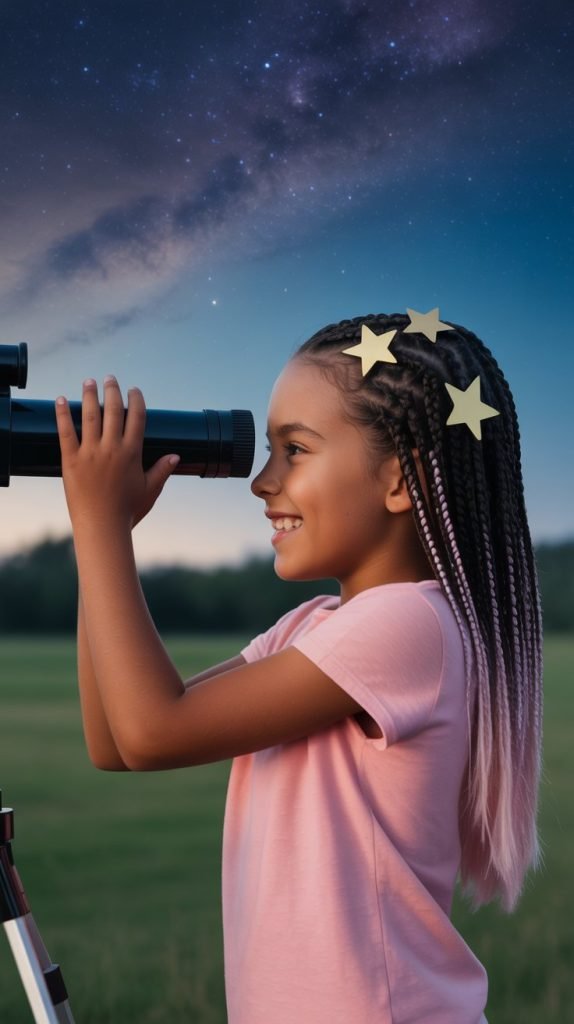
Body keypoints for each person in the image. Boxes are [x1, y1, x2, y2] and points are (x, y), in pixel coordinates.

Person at [55, 308, 543, 1024]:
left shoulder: (410, 623)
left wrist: (99, 527)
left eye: (295, 450)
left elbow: (153, 728)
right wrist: (101, 537)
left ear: (403, 478)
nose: (262, 482)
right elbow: (119, 743)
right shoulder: (314, 627)